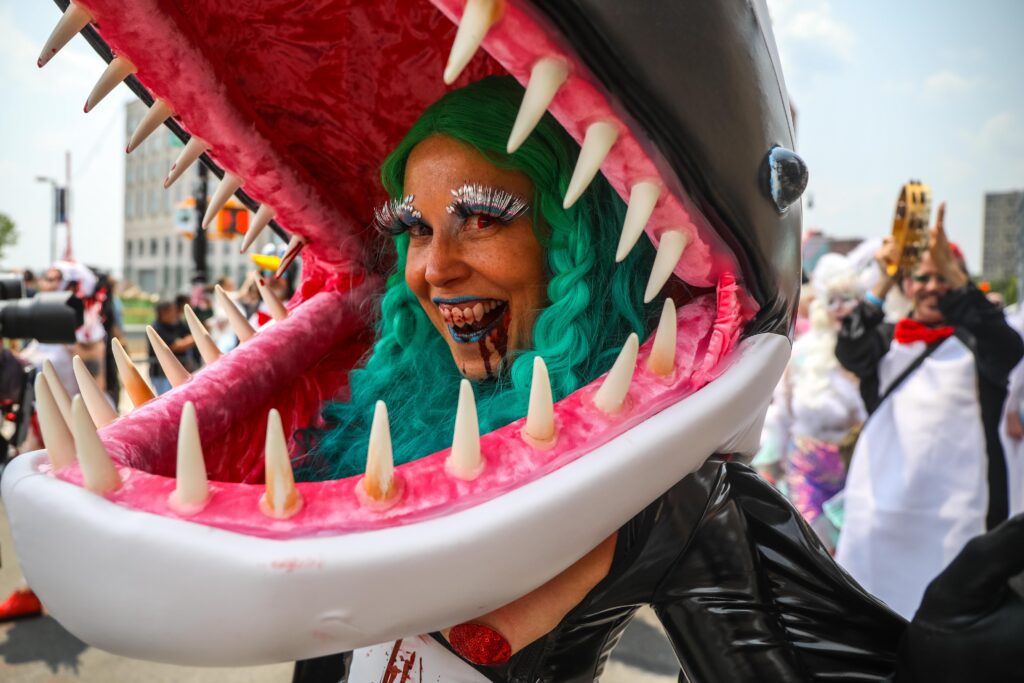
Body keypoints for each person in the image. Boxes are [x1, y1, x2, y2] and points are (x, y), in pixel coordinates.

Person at [835, 205, 1024, 619]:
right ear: (907, 283)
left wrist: (957, 280)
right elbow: (848, 346)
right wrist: (886, 273)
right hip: (880, 518)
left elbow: (1009, 349)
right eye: (921, 276)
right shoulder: (884, 341)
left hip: (958, 523)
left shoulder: (979, 344)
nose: (931, 286)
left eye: (942, 277)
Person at [755, 253, 865, 548]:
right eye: (833, 300)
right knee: (812, 549)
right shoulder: (802, 352)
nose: (840, 308)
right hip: (807, 471)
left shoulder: (874, 353)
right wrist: (769, 463)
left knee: (849, 553)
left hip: (857, 473)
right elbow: (782, 411)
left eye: (848, 298)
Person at [148, 301, 195, 395]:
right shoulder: (156, 328)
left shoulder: (177, 323)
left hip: (181, 371)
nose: (175, 312)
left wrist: (184, 342)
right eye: (172, 310)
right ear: (163, 312)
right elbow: (175, 346)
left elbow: (192, 336)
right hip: (161, 374)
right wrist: (185, 342)